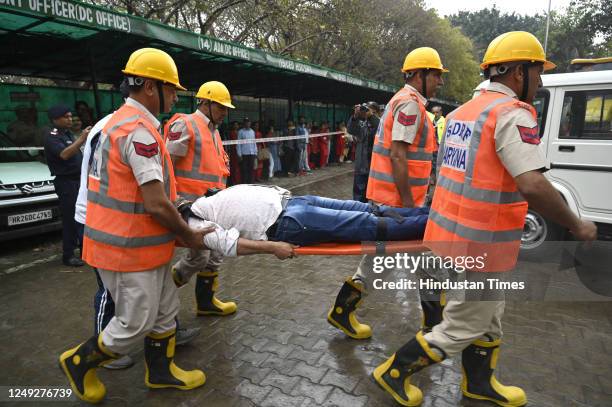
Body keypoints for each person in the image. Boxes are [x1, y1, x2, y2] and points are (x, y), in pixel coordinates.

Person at [372, 31, 598, 407]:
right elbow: (533, 185)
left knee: (490, 314)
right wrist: (576, 224)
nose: (540, 80)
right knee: (466, 322)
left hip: (455, 234)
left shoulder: (463, 113)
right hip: (484, 240)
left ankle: (480, 384)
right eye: (537, 71)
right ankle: (394, 371)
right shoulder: (511, 114)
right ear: (516, 73)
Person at [59, 48, 214, 404]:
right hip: (127, 248)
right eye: (171, 89)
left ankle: (161, 372)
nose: (176, 96)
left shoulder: (121, 122)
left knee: (165, 312)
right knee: (134, 323)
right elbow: (155, 202)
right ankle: (79, 362)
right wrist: (188, 234)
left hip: (145, 244)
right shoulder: (138, 132)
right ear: (148, 86)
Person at [327, 47, 446, 340]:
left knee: (390, 260)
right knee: (422, 259)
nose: (440, 82)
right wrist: (408, 205)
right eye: (437, 75)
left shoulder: (403, 101)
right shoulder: (409, 105)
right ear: (419, 75)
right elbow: (398, 156)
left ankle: (343, 312)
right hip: (398, 204)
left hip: (392, 201)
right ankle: (433, 326)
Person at [182, 184, 429, 256]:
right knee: (369, 224)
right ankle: (439, 224)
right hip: (287, 221)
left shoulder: (198, 204)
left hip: (294, 201)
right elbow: (229, 244)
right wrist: (273, 248)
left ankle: (430, 215)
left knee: (371, 210)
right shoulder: (194, 227)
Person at [164, 81, 238, 317]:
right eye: (221, 107)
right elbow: (166, 168)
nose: (225, 113)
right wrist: (175, 202)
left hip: (212, 207)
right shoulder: (185, 124)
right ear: (205, 103)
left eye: (226, 109)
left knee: (215, 255)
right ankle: (161, 294)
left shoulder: (213, 131)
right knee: (200, 256)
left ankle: (206, 304)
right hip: (190, 206)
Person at [43, 104, 92, 267]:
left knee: (82, 215)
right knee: (71, 219)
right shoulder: (52, 136)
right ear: (56, 119)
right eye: (66, 117)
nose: (70, 119)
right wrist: (81, 139)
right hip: (66, 182)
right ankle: (68, 255)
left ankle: (84, 249)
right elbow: (64, 154)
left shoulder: (68, 133)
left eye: (71, 116)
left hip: (78, 180)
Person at [346, 102, 379, 202]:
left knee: (374, 198)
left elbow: (380, 129)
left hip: (375, 167)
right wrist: (355, 117)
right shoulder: (362, 124)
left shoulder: (380, 122)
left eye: (369, 109)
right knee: (359, 197)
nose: (366, 111)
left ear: (375, 112)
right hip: (361, 166)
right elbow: (351, 130)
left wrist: (372, 117)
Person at [237, 118, 257, 183]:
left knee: (251, 170)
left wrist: (255, 152)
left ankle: (250, 184)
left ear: (250, 123)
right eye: (246, 122)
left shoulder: (252, 132)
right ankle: (244, 184)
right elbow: (238, 144)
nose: (247, 123)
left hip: (252, 154)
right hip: (244, 154)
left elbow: (254, 143)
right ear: (244, 123)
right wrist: (239, 155)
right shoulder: (240, 132)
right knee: (244, 171)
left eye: (248, 122)